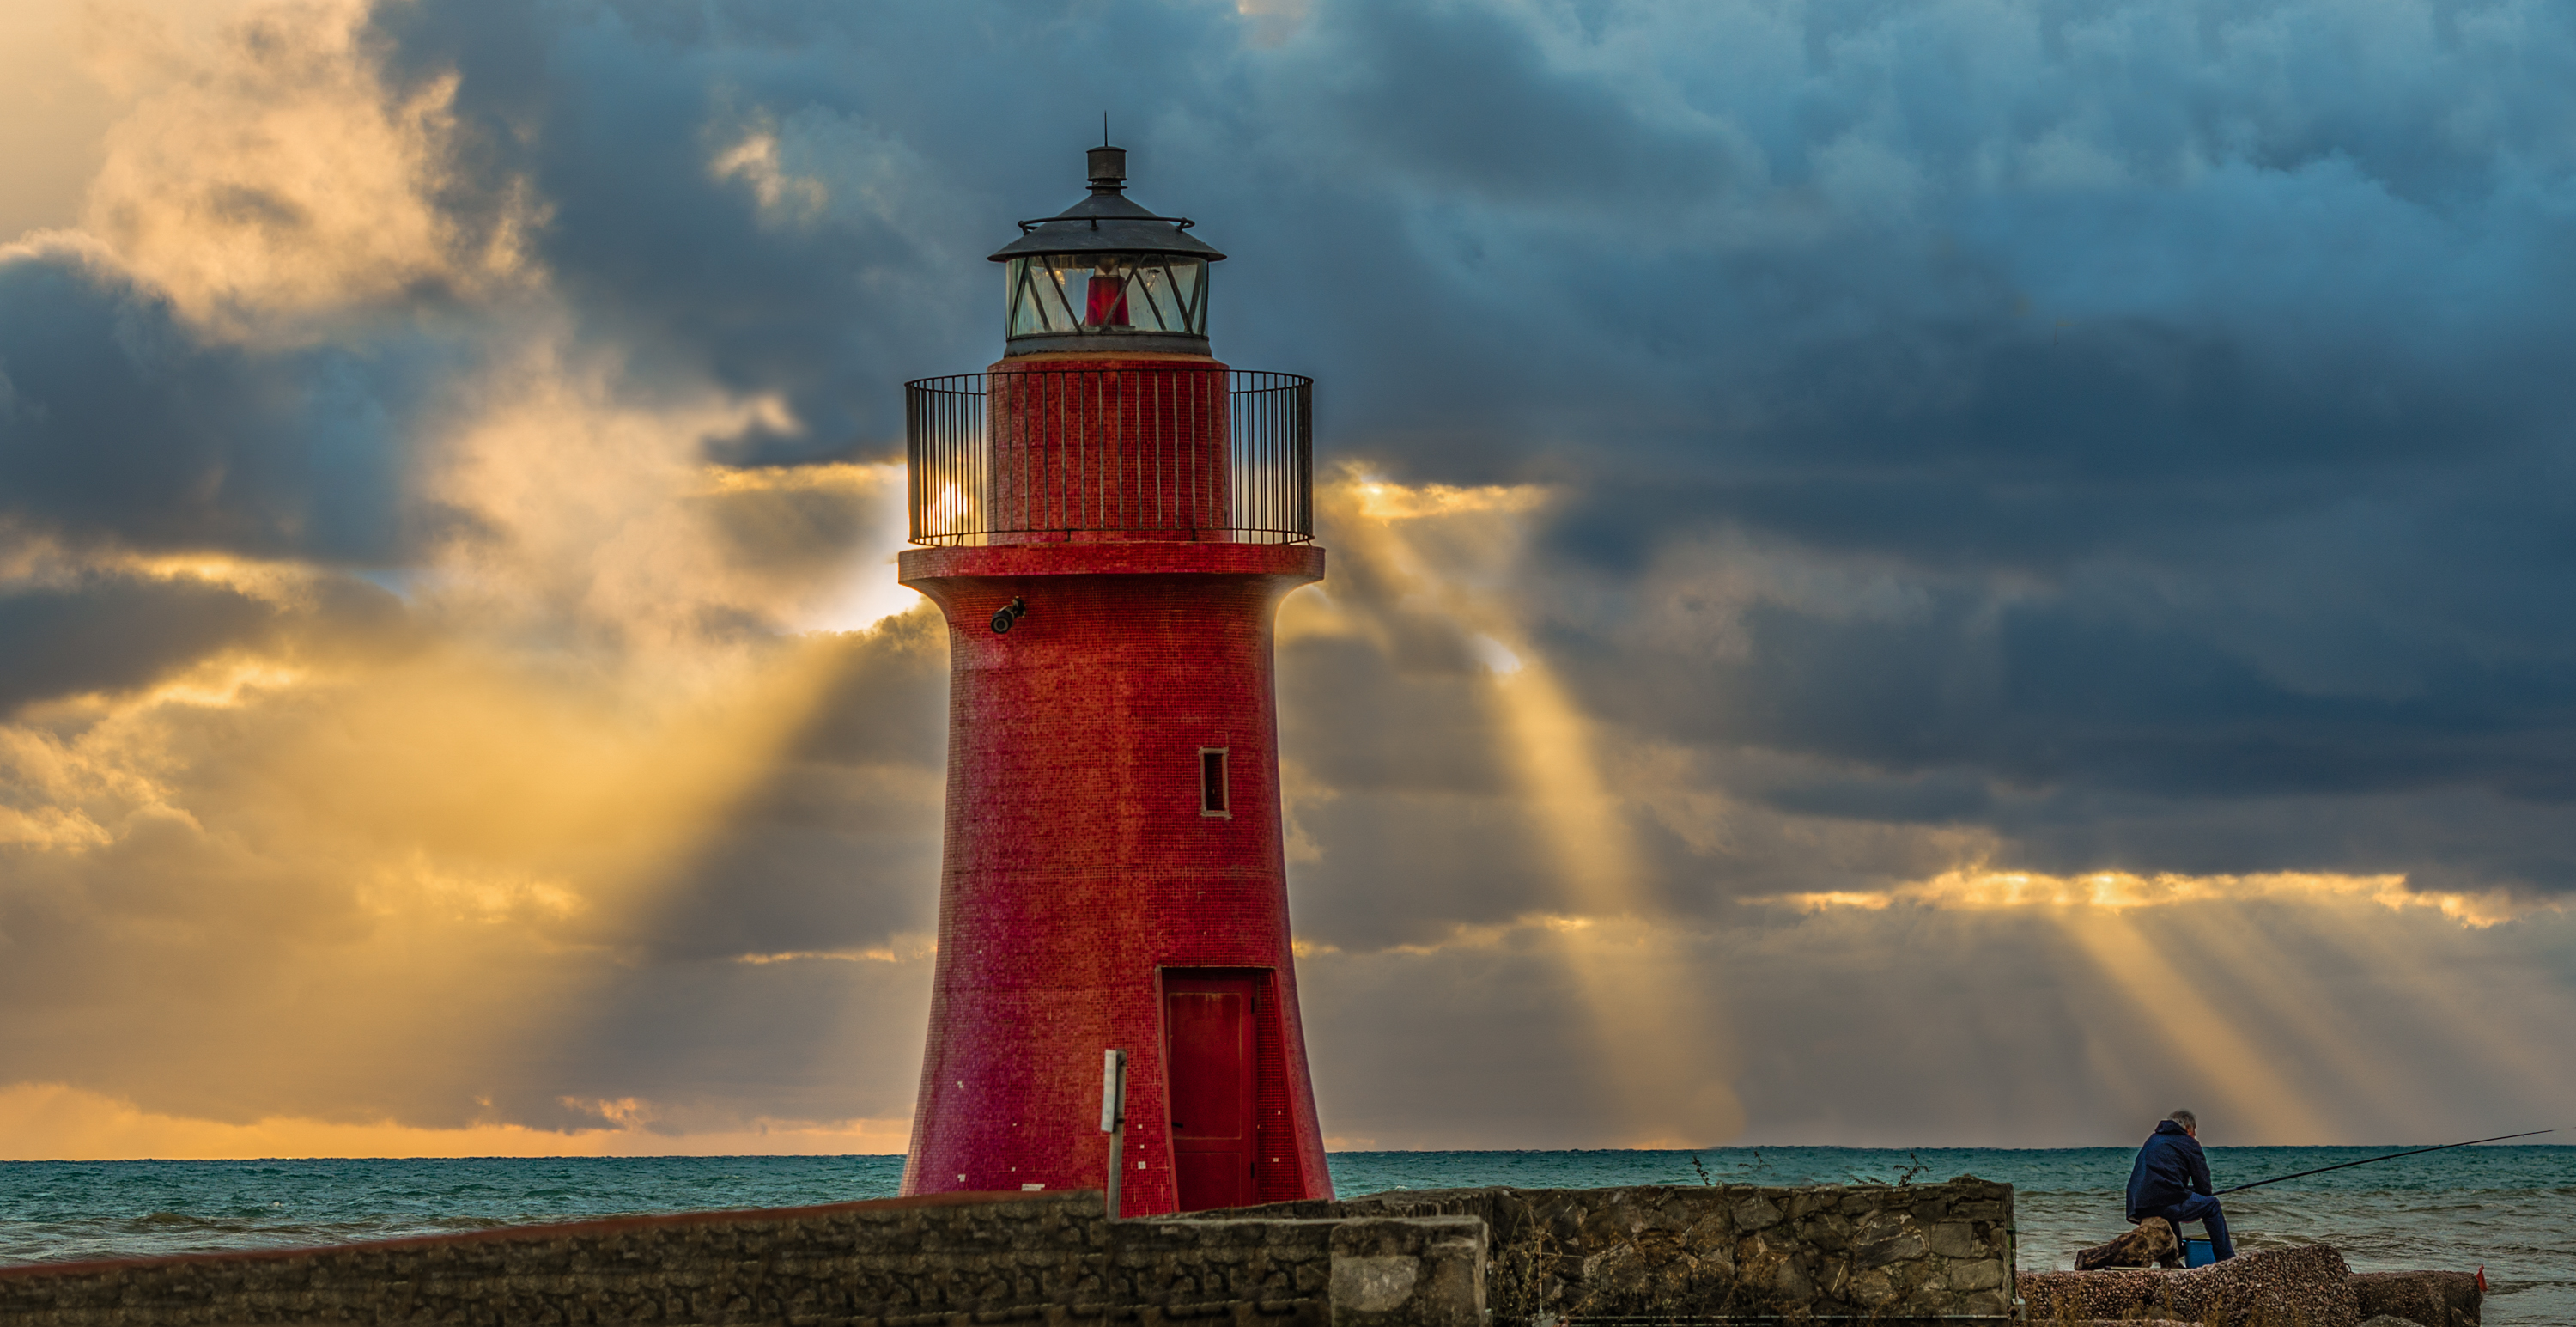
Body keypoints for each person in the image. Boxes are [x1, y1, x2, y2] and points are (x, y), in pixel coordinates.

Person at [2125, 1110, 2234, 1261]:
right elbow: (2204, 1186)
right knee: (2212, 1205)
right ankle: (2227, 1259)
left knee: (2175, 1196)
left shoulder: (2153, 1140)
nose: (2195, 1135)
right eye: (2194, 1130)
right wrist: (2202, 1193)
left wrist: (2191, 1191)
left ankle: (2175, 1256)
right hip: (2164, 1200)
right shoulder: (2189, 1143)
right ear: (2188, 1128)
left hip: (2138, 1205)